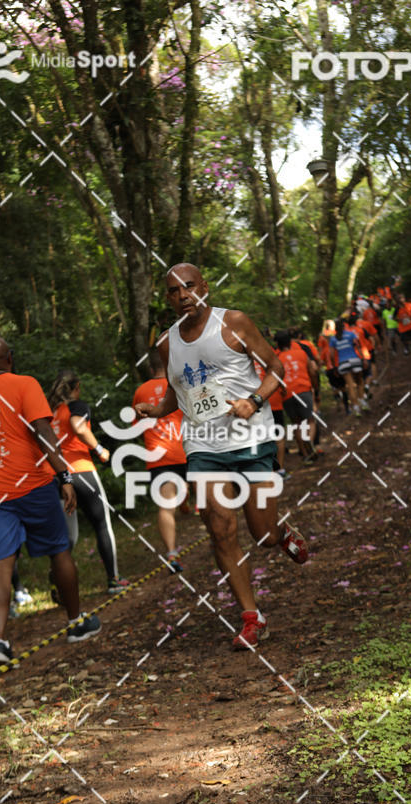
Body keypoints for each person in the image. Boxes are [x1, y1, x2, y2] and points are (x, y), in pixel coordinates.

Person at [134, 263, 308, 651]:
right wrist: (157, 411)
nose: (183, 296)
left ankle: (279, 535)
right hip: (202, 446)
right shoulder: (166, 343)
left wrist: (255, 400)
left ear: (204, 288)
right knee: (220, 527)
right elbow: (176, 394)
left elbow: (276, 368)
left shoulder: (233, 322)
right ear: (168, 298)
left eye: (189, 287)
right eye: (174, 291)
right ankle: (251, 616)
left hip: (251, 436)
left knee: (261, 534)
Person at [0, 338, 101, 666]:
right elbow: (42, 430)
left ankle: (0, 642)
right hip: (33, 485)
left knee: (1, 563)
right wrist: (65, 476)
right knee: (59, 551)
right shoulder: (24, 384)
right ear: (10, 358)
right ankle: (75, 623)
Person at [48, 370, 129, 595]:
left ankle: (58, 582)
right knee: (102, 524)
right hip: (82, 472)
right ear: (76, 388)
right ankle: (114, 579)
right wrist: (100, 449)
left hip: (56, 475)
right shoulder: (77, 406)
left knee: (68, 535)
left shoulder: (50, 412)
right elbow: (78, 426)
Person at [132, 349, 188, 573]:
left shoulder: (140, 391)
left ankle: (172, 554)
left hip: (158, 455)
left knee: (166, 506)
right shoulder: (179, 384)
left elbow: (136, 426)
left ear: (150, 368)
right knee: (207, 495)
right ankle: (219, 540)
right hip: (185, 448)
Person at [275, 329, 319, 462]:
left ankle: (305, 455)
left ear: (278, 344)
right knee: (310, 420)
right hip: (303, 390)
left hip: (287, 394)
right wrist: (315, 388)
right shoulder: (301, 353)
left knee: (296, 424)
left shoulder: (277, 359)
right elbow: (312, 371)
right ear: (290, 341)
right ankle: (309, 442)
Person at [329, 318, 364, 416]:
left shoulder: (333, 339)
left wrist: (335, 367)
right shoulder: (351, 334)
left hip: (343, 363)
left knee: (350, 385)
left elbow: (331, 355)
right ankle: (362, 400)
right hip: (354, 360)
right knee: (360, 381)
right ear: (344, 325)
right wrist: (363, 359)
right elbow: (358, 346)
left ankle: (356, 407)